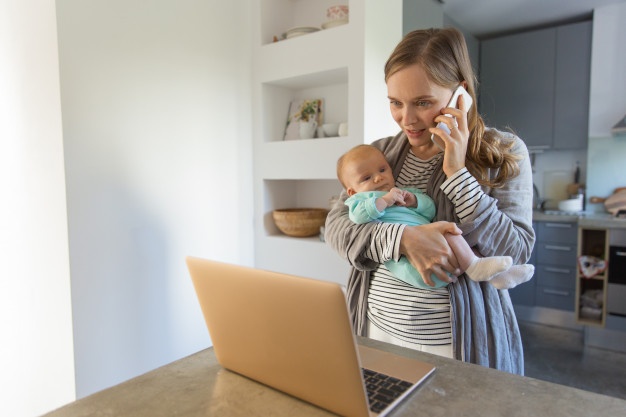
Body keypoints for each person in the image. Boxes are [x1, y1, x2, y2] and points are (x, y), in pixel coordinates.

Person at [324, 28, 535, 374]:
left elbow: (517, 250)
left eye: (422, 102)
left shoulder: (505, 152)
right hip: (376, 333)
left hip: (458, 347)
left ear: (459, 95)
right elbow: (335, 224)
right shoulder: (381, 153)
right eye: (395, 102)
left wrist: (456, 172)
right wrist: (403, 239)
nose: (407, 119)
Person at [336, 144, 534, 290]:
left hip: (439, 251)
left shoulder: (400, 191)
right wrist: (399, 231)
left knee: (451, 229)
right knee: (447, 235)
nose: (378, 178)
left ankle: (497, 275)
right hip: (409, 265)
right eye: (367, 178)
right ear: (352, 191)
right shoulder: (360, 200)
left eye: (382, 170)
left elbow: (429, 209)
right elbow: (356, 218)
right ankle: (474, 267)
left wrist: (414, 201)